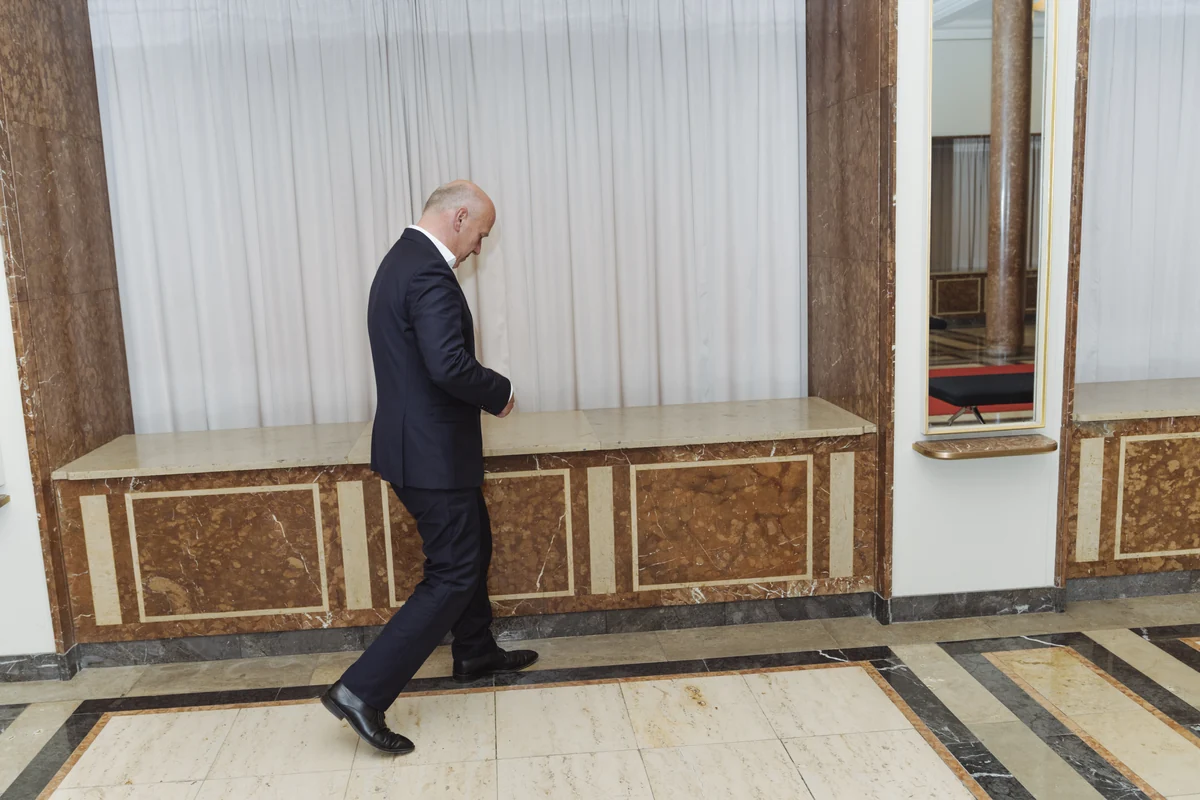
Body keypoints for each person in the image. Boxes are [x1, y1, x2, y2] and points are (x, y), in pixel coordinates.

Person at [321, 181, 537, 754]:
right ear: (459, 217)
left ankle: (475, 650)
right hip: (431, 454)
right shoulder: (427, 273)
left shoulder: (402, 260)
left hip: (419, 449)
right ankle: (360, 692)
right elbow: (448, 364)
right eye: (480, 234)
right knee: (452, 572)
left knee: (473, 545)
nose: (478, 247)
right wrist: (500, 391)